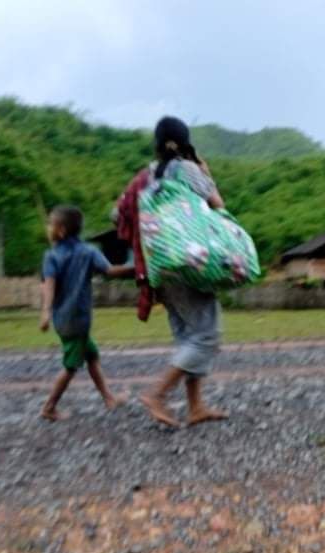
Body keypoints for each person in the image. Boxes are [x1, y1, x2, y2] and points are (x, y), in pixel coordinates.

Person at [115, 116, 228, 428]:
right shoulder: (188, 169)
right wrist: (207, 176)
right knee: (207, 335)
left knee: (187, 336)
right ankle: (157, 394)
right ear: (185, 141)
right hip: (188, 262)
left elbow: (118, 214)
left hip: (157, 265)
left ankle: (196, 407)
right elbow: (218, 205)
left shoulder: (144, 176)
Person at [39, 205, 134, 421]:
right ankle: (49, 407)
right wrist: (136, 266)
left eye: (50, 224)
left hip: (63, 319)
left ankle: (108, 398)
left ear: (61, 231)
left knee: (91, 357)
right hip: (78, 320)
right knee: (71, 366)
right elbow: (110, 270)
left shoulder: (51, 256)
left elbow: (49, 286)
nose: (48, 228)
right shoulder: (89, 251)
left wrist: (46, 313)